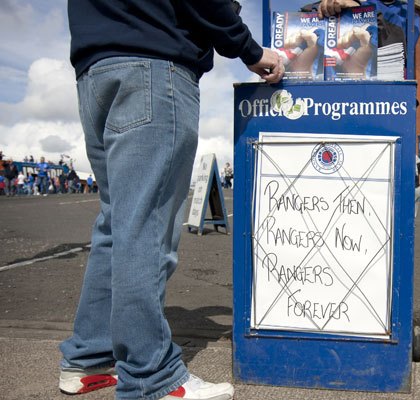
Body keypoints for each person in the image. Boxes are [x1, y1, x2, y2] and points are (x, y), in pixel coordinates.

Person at [59, 1, 284, 400]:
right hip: (153, 67)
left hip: (95, 69)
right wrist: (250, 49)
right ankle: (151, 377)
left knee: (117, 223)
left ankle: (88, 357)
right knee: (145, 228)